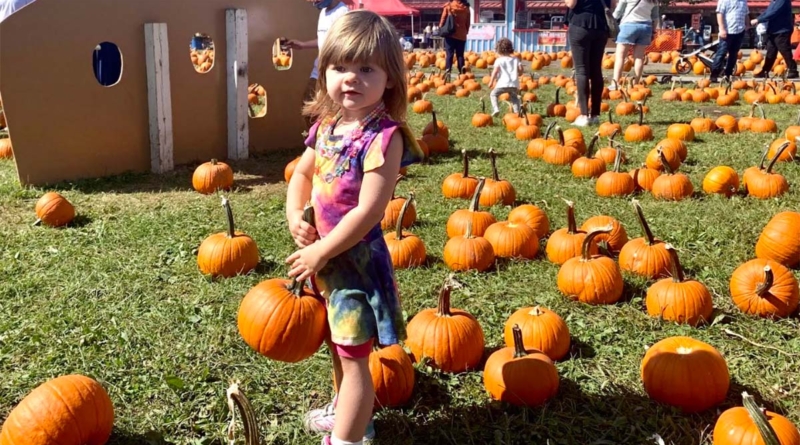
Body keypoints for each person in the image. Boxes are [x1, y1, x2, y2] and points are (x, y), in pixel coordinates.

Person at [287, 10, 425, 445]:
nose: (351, 78)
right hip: (326, 264)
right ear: (324, 71)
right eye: (339, 67)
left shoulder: (385, 137)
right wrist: (295, 216)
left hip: (354, 268)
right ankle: (352, 417)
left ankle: (346, 440)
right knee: (338, 346)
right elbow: (302, 175)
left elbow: (369, 210)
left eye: (366, 68)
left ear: (389, 80)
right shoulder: (326, 128)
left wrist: (322, 249)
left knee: (354, 360)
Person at [287, 0, 350, 128]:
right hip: (318, 70)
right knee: (308, 105)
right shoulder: (323, 12)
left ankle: (327, 141)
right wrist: (303, 45)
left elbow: (344, 44)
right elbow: (324, 38)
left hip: (333, 73)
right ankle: (314, 141)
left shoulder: (343, 13)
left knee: (330, 111)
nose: (313, 1)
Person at [565, 0, 608, 127]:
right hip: (601, 26)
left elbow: (570, 3)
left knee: (581, 70)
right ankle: (595, 114)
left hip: (580, 24)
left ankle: (584, 115)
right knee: (596, 70)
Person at [611, 0, 659, 87]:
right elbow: (655, 18)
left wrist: (611, 22)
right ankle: (635, 83)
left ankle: (615, 83)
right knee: (639, 57)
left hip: (628, 25)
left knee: (620, 57)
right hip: (646, 27)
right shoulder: (654, 0)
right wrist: (653, 31)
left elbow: (618, 12)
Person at [751, 0, 799, 78]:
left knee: (784, 50)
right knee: (771, 52)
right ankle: (765, 71)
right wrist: (759, 18)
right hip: (773, 30)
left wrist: (758, 20)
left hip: (782, 30)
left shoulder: (782, 1)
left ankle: (793, 70)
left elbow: (773, 12)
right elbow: (767, 12)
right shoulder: (774, 1)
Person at [710, 0, 748, 82]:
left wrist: (747, 24)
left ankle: (728, 74)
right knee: (721, 53)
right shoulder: (724, 1)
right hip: (727, 31)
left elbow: (746, 14)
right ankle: (714, 74)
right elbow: (719, 14)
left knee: (734, 54)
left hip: (739, 31)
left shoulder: (743, 1)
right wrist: (722, 29)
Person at [488, 38, 523, 117]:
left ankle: (496, 109)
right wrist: (520, 73)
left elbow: (495, 71)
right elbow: (521, 69)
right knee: (514, 98)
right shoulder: (516, 59)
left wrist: (491, 81)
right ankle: (517, 113)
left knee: (493, 94)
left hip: (502, 83)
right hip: (514, 84)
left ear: (499, 50)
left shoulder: (499, 60)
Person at [439, 0, 471, 80]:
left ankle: (448, 73)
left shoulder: (449, 6)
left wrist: (441, 28)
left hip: (450, 34)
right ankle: (462, 74)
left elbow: (443, 19)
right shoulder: (466, 7)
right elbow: (468, 22)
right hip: (462, 35)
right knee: (460, 55)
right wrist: (465, 31)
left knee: (449, 55)